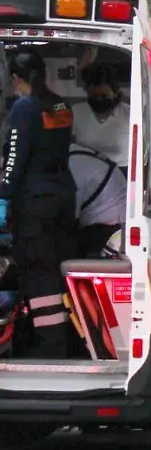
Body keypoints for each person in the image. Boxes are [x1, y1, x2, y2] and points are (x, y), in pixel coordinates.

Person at [1, 50, 77, 358]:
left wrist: (4, 193)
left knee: (38, 273)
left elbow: (15, 158)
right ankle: (62, 341)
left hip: (35, 205)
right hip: (63, 198)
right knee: (54, 270)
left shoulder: (24, 106)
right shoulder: (61, 105)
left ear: (16, 78)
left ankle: (50, 346)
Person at [69, 143, 125, 257]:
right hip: (113, 210)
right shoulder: (67, 152)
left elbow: (65, 223)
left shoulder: (69, 171)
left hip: (111, 225)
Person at [71, 63, 130, 171]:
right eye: (93, 96)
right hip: (84, 171)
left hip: (121, 172)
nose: (99, 100)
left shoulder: (130, 114)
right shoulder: (77, 111)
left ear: (115, 92)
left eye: (104, 96)